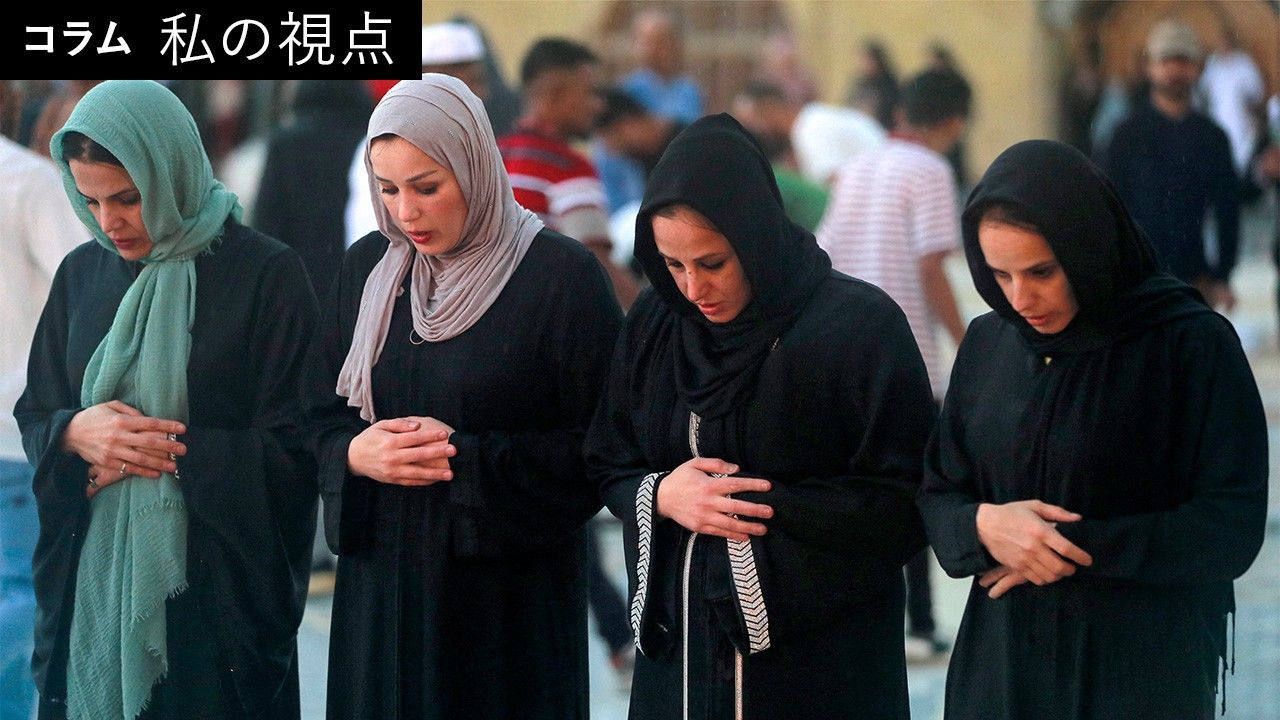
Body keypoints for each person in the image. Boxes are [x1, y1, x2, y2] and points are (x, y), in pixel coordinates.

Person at [585, 114, 935, 719]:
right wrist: (664, 495)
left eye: (713, 262)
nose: (693, 288)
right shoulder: (656, 324)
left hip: (819, 664)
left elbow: (907, 499)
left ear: (756, 237)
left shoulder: (857, 328)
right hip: (682, 660)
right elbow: (608, 458)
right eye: (673, 265)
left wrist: (754, 510)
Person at [917, 140, 1268, 719]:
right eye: (999, 274)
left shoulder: (1188, 343)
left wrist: (1067, 547)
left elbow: (1230, 525)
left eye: (1041, 272)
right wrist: (983, 525)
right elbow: (938, 489)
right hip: (1002, 672)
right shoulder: (988, 343)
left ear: (1087, 248)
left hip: (1140, 674)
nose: (1020, 298)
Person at [305, 75, 620, 719]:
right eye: (387, 189)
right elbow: (314, 416)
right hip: (383, 597)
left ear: (474, 167)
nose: (406, 213)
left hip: (508, 611)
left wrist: (466, 460)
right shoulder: (369, 271)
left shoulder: (559, 279)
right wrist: (356, 454)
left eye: (427, 187)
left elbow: (605, 446)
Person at [15, 80, 318, 720]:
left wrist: (169, 451)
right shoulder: (82, 274)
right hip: (89, 592)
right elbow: (37, 412)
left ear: (171, 170)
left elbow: (297, 445)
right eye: (89, 200)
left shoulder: (265, 275)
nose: (109, 222)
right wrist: (75, 433)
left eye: (128, 198)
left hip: (214, 609)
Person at [817, 68, 971, 660]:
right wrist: (968, 341)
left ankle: (859, 618)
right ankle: (921, 625)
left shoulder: (857, 165)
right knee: (913, 490)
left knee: (854, 487)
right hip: (906, 356)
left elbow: (827, 252)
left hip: (843, 351)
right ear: (954, 123)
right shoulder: (931, 169)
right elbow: (931, 267)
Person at [0, 120, 84, 720]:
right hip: (16, 431)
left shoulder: (27, 181)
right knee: (24, 597)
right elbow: (89, 291)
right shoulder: (27, 181)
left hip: (17, 436)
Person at [1105, 19, 1240, 311]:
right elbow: (1109, 208)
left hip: (1195, 279)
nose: (1174, 70)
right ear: (1149, 66)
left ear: (1197, 67)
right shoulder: (1126, 136)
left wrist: (1223, 275)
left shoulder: (1212, 137)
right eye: (1165, 61)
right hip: (1139, 278)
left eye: (1183, 61)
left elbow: (1228, 208)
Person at [500, 37, 639, 309]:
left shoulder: (494, 153)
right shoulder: (566, 167)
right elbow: (598, 264)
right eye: (590, 93)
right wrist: (649, 320)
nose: (599, 105)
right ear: (555, 94)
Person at [253, 80, 373, 302]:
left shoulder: (286, 143)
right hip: (355, 279)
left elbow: (267, 221)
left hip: (298, 281)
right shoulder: (368, 138)